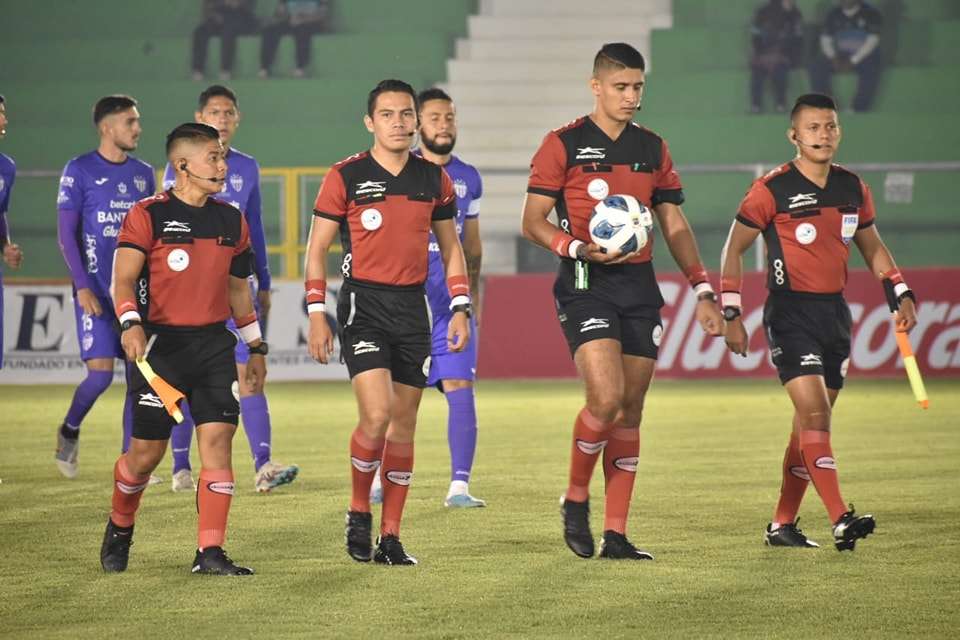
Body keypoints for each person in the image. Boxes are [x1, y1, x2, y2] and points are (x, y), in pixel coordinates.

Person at [521, 43, 723, 560]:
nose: (632, 96)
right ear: (596, 86)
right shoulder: (562, 144)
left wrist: (702, 286)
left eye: (638, 87)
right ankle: (575, 496)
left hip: (638, 286)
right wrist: (573, 247)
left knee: (631, 410)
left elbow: (674, 223)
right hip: (585, 279)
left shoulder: (653, 147)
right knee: (606, 398)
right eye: (621, 87)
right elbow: (533, 221)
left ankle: (616, 534)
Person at [720, 92, 917, 550]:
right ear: (794, 135)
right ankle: (840, 518)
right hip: (790, 313)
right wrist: (732, 311)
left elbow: (872, 246)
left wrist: (899, 290)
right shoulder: (771, 189)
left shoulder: (853, 187)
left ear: (839, 132)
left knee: (806, 429)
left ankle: (782, 525)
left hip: (835, 316)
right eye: (813, 128)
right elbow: (734, 247)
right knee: (815, 416)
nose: (823, 135)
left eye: (830, 126)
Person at [305, 79, 471, 566]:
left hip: (412, 308)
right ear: (370, 122)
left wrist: (460, 305)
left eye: (406, 114)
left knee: (403, 426)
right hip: (363, 306)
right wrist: (317, 314)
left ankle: (392, 537)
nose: (399, 123)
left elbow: (452, 246)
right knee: (376, 415)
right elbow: (316, 250)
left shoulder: (432, 180)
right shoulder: (345, 176)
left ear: (416, 120)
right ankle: (359, 510)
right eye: (388, 115)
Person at [99, 122, 265, 575]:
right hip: (160, 350)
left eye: (224, 156)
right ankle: (120, 523)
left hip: (214, 346)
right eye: (213, 156)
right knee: (145, 455)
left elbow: (238, 291)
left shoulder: (232, 219)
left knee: (217, 442)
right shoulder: (146, 214)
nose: (223, 165)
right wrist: (130, 324)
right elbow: (123, 280)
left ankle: (210, 552)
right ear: (182, 164)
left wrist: (256, 347)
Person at [162, 85, 297, 494]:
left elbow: (253, 226)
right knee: (187, 376)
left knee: (250, 372)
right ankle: (181, 467)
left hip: (238, 285)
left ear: (237, 120)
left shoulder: (248, 168)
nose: (221, 119)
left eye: (228, 113)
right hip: (193, 288)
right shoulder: (181, 167)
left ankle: (263, 464)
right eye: (214, 112)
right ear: (200, 117)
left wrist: (266, 280)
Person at [370, 87, 485, 509]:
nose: (444, 125)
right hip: (403, 304)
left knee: (461, 384)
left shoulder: (468, 178)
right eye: (435, 118)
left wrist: (469, 300)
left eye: (450, 117)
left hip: (448, 306)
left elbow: (471, 248)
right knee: (400, 396)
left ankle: (459, 485)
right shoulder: (404, 173)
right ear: (418, 123)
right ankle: (385, 477)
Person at [55, 95, 156, 480]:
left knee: (136, 377)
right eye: (130, 122)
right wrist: (81, 287)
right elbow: (67, 235)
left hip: (133, 296)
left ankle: (130, 460)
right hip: (95, 294)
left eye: (137, 121)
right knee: (98, 376)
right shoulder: (78, 170)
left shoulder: (144, 173)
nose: (137, 129)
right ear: (106, 127)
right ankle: (69, 429)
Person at [809, 0, 883, 113]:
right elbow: (825, 39)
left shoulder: (871, 13)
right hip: (840, 54)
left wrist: (853, 60)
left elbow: (872, 41)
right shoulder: (833, 14)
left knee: (873, 66)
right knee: (817, 66)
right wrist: (833, 57)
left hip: (864, 55)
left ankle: (858, 108)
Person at [1, 94, 25, 370]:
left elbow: (0, 212)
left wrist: (5, 246)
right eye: (1, 113)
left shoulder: (6, 167)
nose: (5, 119)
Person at [749, 0, 804, 113]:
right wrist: (762, 55)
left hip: (783, 57)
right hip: (764, 56)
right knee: (757, 71)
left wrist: (782, 55)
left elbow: (797, 41)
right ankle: (756, 105)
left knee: (780, 70)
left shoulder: (795, 14)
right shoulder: (762, 12)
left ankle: (781, 104)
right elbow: (756, 37)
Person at [258, 0, 330, 78]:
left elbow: (323, 15)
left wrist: (303, 19)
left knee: (302, 30)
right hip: (292, 20)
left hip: (312, 22)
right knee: (270, 30)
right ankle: (265, 67)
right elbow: (280, 12)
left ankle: (300, 67)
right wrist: (287, 17)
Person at [191, 0, 259, 81]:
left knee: (229, 31)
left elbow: (249, 6)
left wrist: (237, 3)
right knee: (200, 31)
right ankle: (198, 70)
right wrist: (215, 14)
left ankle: (225, 70)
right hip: (218, 17)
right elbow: (208, 5)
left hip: (240, 18)